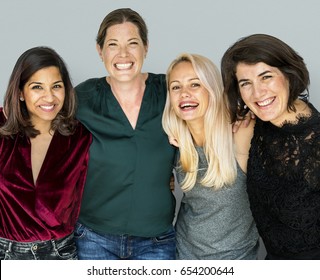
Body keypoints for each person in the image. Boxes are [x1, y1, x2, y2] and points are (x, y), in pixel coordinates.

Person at [74, 8, 176, 260]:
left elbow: (211, 112)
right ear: (100, 51)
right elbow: (38, 122)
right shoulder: (83, 98)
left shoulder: (169, 91)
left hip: (156, 239)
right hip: (94, 237)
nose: (123, 54)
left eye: (133, 43)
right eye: (112, 45)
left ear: (146, 47)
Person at [221, 33, 320, 260]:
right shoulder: (248, 129)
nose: (258, 93)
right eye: (246, 83)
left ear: (288, 74)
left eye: (266, 77)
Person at [162, 53, 259, 259]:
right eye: (176, 87)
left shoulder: (241, 132)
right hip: (183, 255)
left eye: (195, 84)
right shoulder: (175, 142)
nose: (184, 93)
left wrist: (245, 110)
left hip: (236, 259)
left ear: (212, 90)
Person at [0, 47, 92, 260]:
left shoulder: (80, 136)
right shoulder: (2, 128)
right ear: (21, 92)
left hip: (60, 254)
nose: (49, 97)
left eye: (56, 86)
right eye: (37, 87)